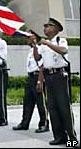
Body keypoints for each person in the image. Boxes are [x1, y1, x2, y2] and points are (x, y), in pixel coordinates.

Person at [31, 18, 79, 147]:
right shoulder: (43, 44)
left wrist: (45, 43)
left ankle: (72, 139)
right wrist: (35, 45)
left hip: (59, 76)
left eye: (48, 26)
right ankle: (59, 137)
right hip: (49, 77)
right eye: (44, 26)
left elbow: (63, 51)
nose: (45, 28)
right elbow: (38, 59)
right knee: (52, 108)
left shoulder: (60, 40)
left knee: (64, 108)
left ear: (56, 28)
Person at [12, 36, 49, 133]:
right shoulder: (30, 50)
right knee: (27, 101)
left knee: (41, 102)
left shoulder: (40, 49)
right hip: (30, 77)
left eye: (28, 38)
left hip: (38, 76)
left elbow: (42, 66)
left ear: (35, 39)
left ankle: (44, 124)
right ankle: (25, 123)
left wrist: (40, 81)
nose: (26, 40)